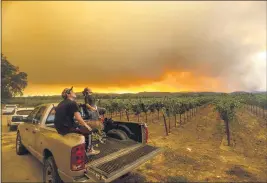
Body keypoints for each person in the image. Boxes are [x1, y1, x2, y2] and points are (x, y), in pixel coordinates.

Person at [54, 87, 100, 155]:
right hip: (67, 129)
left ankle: (84, 147)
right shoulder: (73, 103)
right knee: (89, 130)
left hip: (59, 129)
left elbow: (59, 115)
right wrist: (87, 126)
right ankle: (89, 150)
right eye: (72, 92)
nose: (74, 92)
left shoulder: (60, 103)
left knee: (80, 127)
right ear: (68, 94)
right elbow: (78, 118)